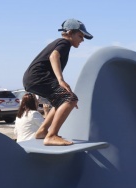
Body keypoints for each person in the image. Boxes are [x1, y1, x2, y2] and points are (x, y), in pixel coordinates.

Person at [23, 18, 93, 146]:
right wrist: (61, 80)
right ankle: (52, 136)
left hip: (32, 78)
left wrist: (66, 95)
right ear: (70, 33)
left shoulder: (60, 43)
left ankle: (42, 131)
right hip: (38, 77)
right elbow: (53, 56)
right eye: (80, 36)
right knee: (70, 99)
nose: (82, 40)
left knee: (61, 101)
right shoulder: (64, 42)